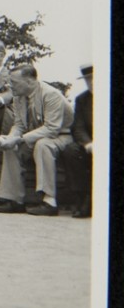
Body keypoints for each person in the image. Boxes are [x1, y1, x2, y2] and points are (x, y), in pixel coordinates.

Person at [0, 64, 75, 216]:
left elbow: (52, 129)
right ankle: (15, 200)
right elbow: (18, 125)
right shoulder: (18, 96)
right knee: (10, 147)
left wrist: (18, 139)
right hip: (36, 136)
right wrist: (9, 139)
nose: (11, 85)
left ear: (30, 81)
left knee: (43, 145)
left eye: (15, 82)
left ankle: (49, 202)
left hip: (62, 135)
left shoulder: (51, 94)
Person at [61, 63, 93, 218]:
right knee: (71, 150)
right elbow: (78, 127)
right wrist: (88, 143)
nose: (91, 83)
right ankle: (82, 197)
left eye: (94, 78)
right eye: (88, 80)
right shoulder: (82, 99)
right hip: (91, 145)